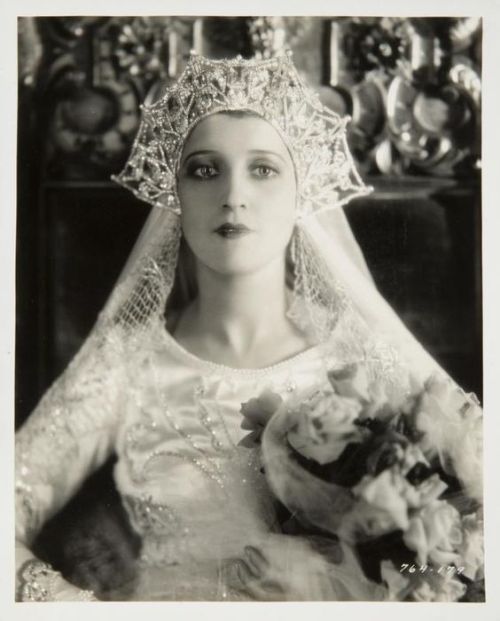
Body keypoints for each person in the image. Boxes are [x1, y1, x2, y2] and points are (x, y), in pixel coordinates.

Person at [15, 52, 482, 601]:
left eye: (263, 169)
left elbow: (462, 553)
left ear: (300, 191)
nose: (233, 195)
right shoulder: (127, 361)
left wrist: (385, 584)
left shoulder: (361, 360)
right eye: (204, 170)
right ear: (176, 194)